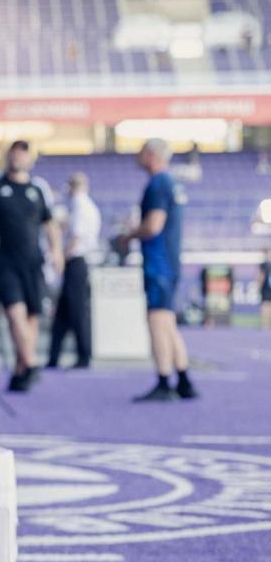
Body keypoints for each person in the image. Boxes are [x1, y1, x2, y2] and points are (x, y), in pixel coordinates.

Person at [0, 140, 62, 392]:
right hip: (4, 261)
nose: (17, 159)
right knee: (14, 313)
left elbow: (50, 223)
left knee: (31, 317)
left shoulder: (38, 189)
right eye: (13, 154)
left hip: (34, 263)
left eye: (22, 155)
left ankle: (20, 370)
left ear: (30, 159)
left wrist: (56, 251)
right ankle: (32, 362)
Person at [118, 138, 196, 401]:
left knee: (158, 321)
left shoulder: (158, 184)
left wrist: (129, 235)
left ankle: (164, 380)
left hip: (158, 262)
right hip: (169, 261)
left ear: (152, 155)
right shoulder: (171, 183)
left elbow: (153, 225)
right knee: (168, 321)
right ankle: (184, 380)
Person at [47, 172, 100, 369]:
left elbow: (75, 238)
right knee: (63, 312)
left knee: (77, 311)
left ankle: (83, 355)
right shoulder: (83, 206)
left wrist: (60, 257)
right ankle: (54, 356)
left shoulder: (81, 206)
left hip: (76, 262)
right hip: (75, 263)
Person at [259, 249, 271, 331]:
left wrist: (259, 286)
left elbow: (261, 276)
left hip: (266, 287)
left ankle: (265, 324)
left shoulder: (263, 264)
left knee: (265, 305)